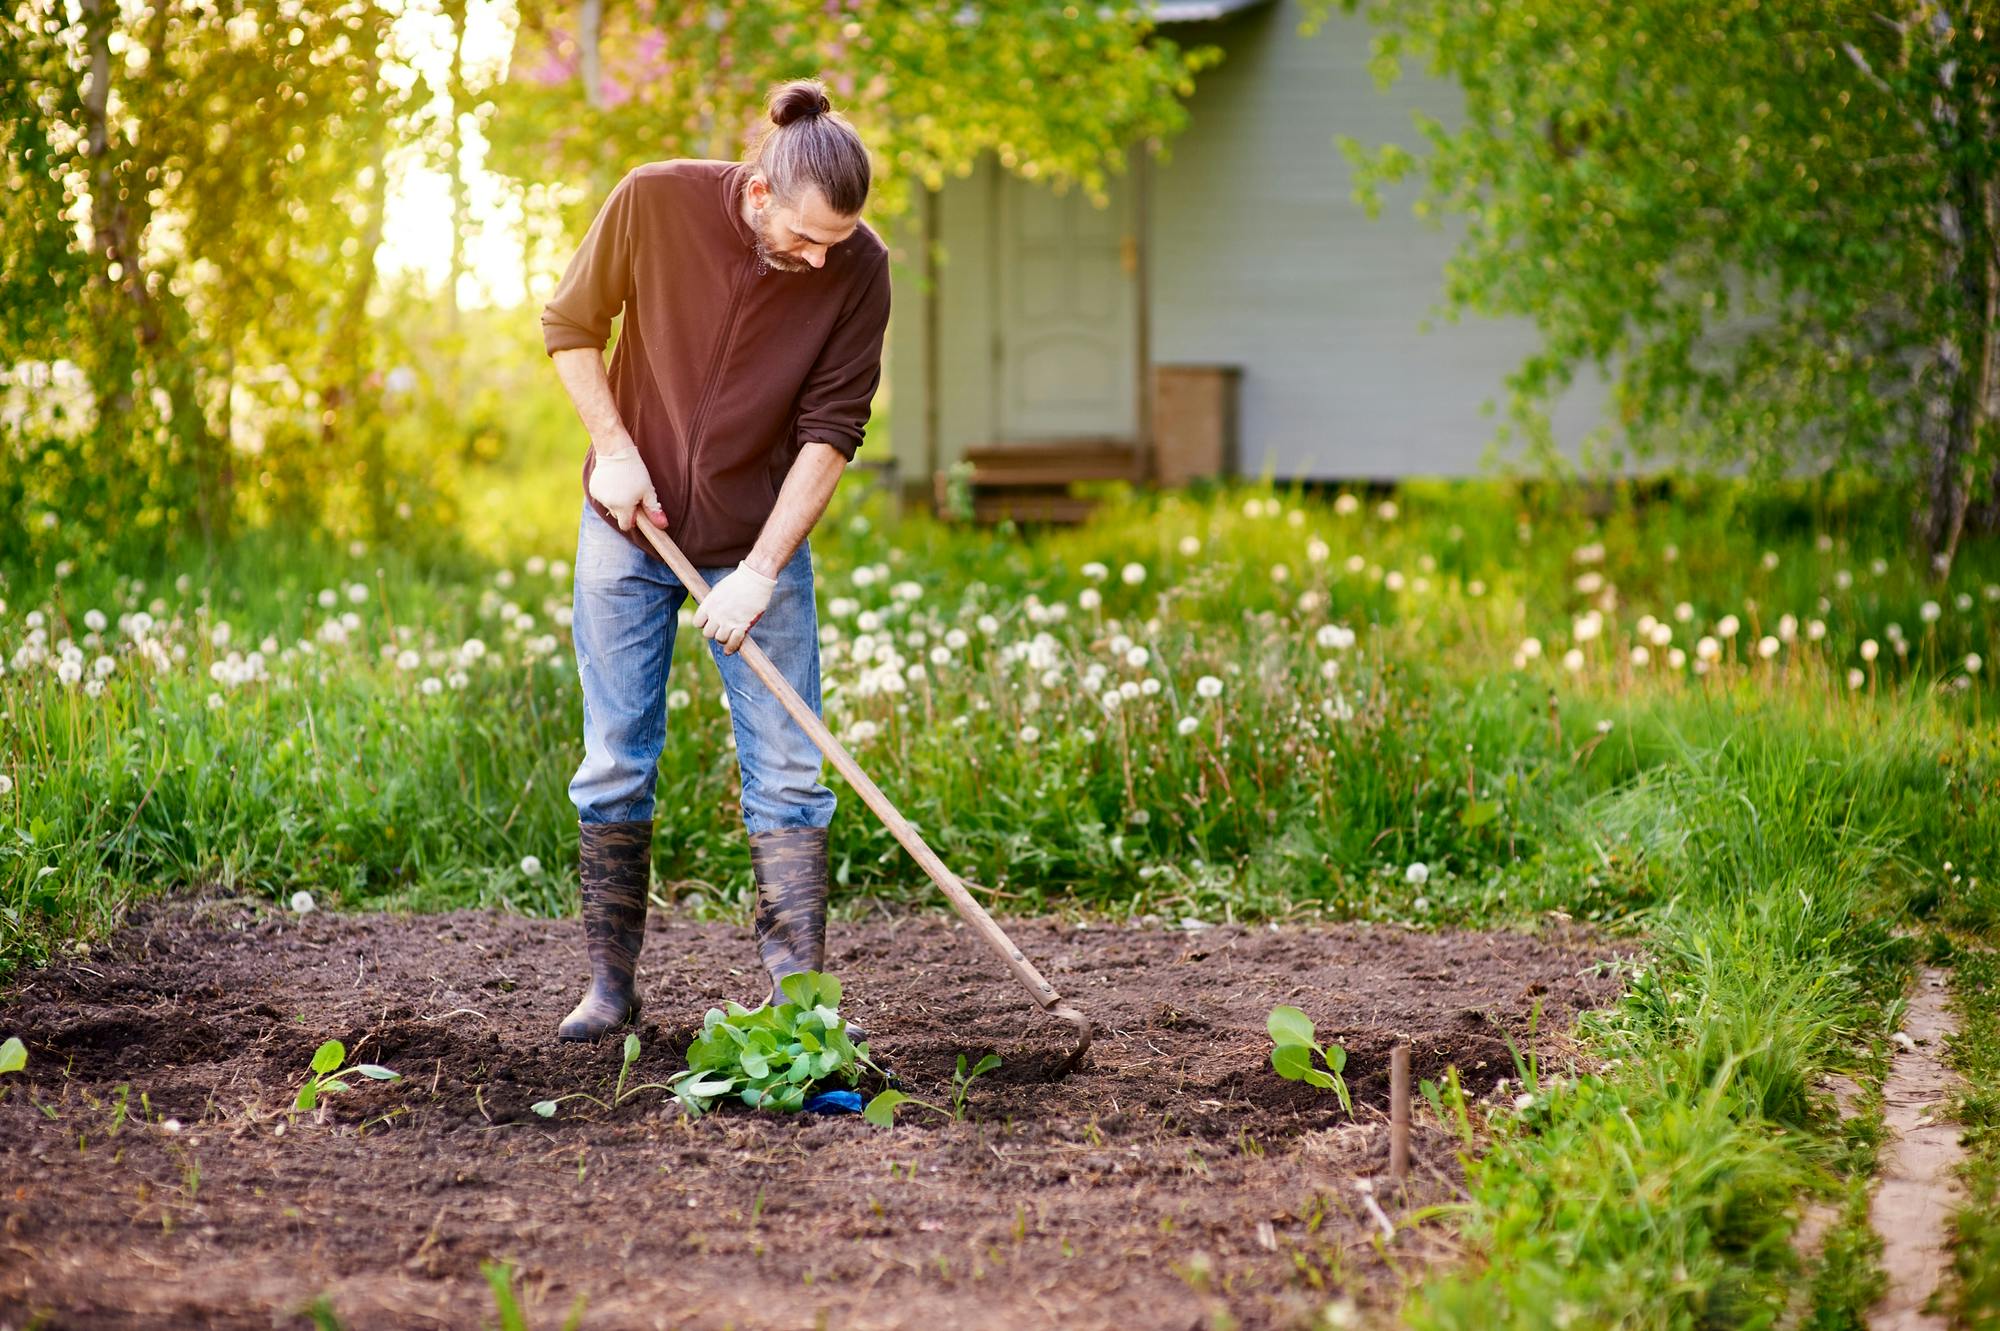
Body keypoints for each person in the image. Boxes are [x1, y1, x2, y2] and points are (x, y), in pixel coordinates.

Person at [539, 78, 890, 1042]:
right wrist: (613, 449)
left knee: (788, 773)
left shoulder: (860, 268)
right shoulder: (654, 199)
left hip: (753, 543)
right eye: (808, 237)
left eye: (840, 242)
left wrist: (763, 570)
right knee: (615, 760)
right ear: (759, 193)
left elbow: (831, 431)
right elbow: (570, 326)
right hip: (628, 529)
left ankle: (799, 1010)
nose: (823, 258)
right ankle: (610, 991)